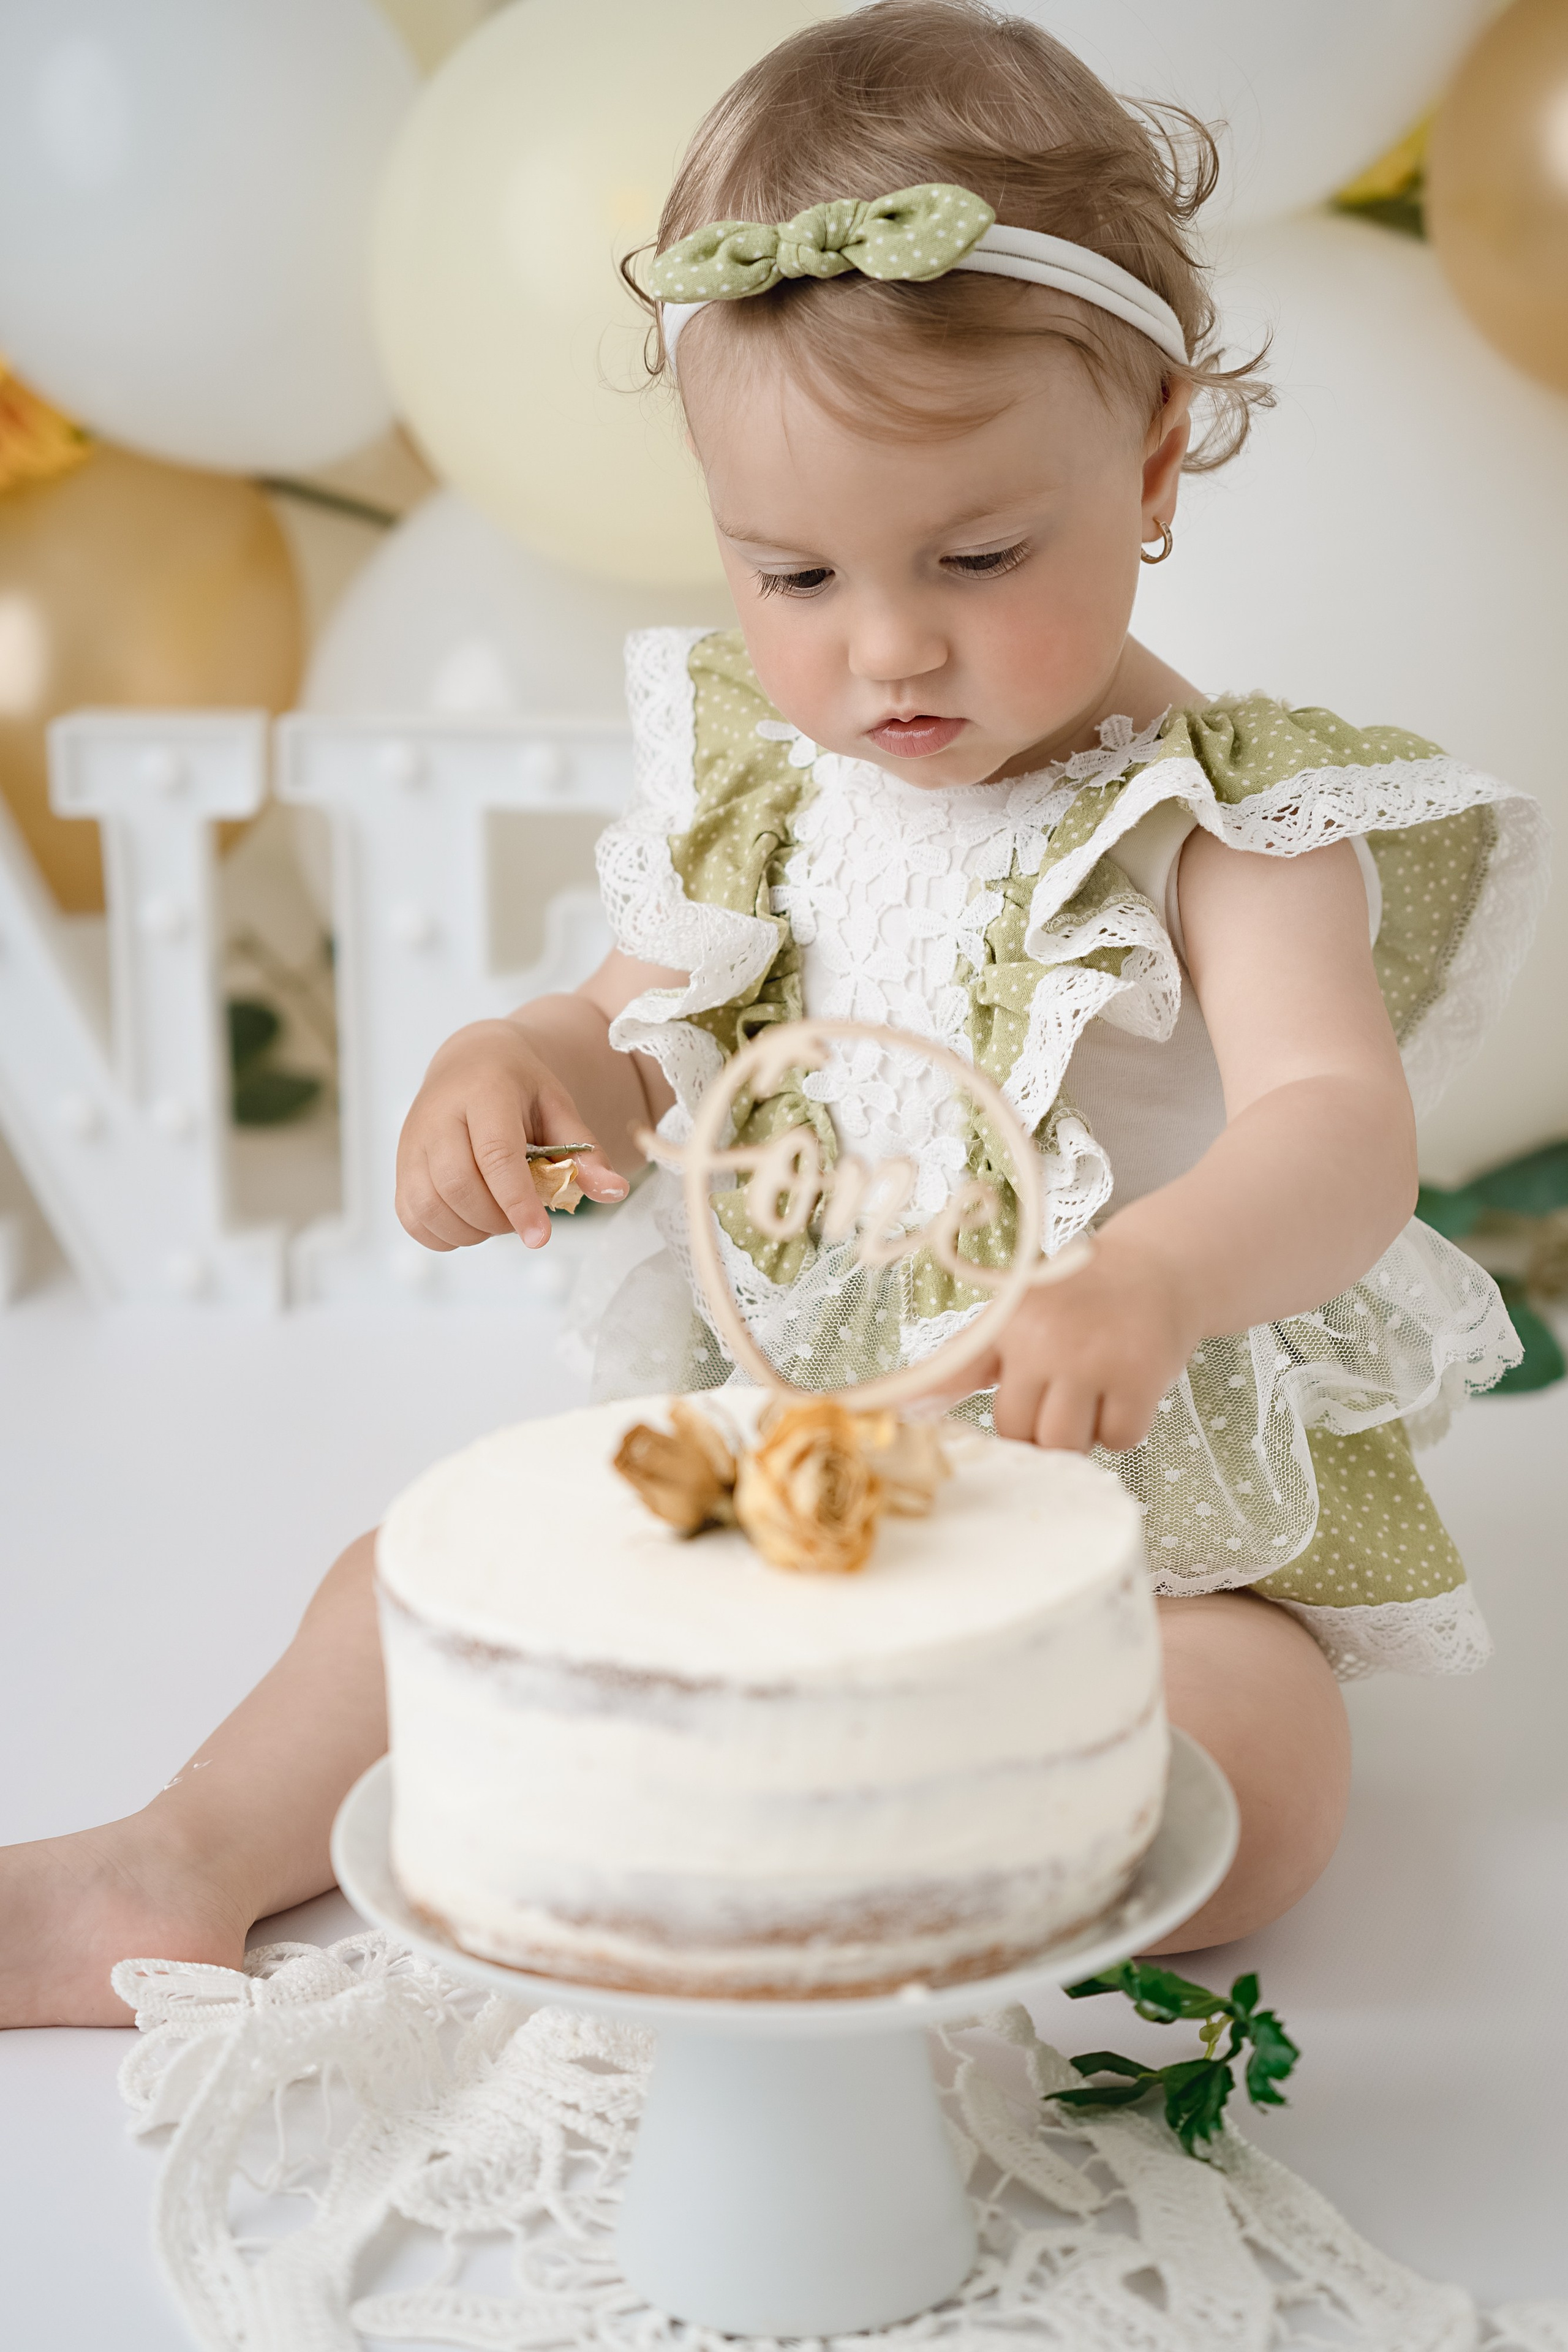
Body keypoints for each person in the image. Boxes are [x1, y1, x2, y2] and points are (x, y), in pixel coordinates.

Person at [1, 0, 1543, 2029]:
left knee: (1258, 1768)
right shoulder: (769, 782)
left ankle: (812, 1831)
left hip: (1124, 1509)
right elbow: (633, 1035)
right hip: (790, 1435)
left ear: (1154, 457)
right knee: (419, 1576)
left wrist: (1157, 1277)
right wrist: (524, 1063)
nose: (886, 644)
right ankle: (175, 1859)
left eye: (981, 554)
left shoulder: (1231, 822)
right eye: (791, 571)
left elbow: (1337, 1132)